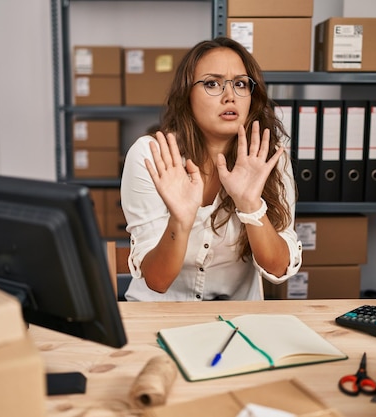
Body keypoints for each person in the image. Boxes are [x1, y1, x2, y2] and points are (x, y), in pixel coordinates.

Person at [120, 36, 302, 301]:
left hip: (235, 322)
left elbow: (278, 268)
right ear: (187, 95)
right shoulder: (151, 155)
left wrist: (251, 205)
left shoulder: (270, 160)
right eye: (212, 84)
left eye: (240, 84)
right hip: (158, 315)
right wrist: (180, 221)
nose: (230, 96)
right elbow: (157, 282)